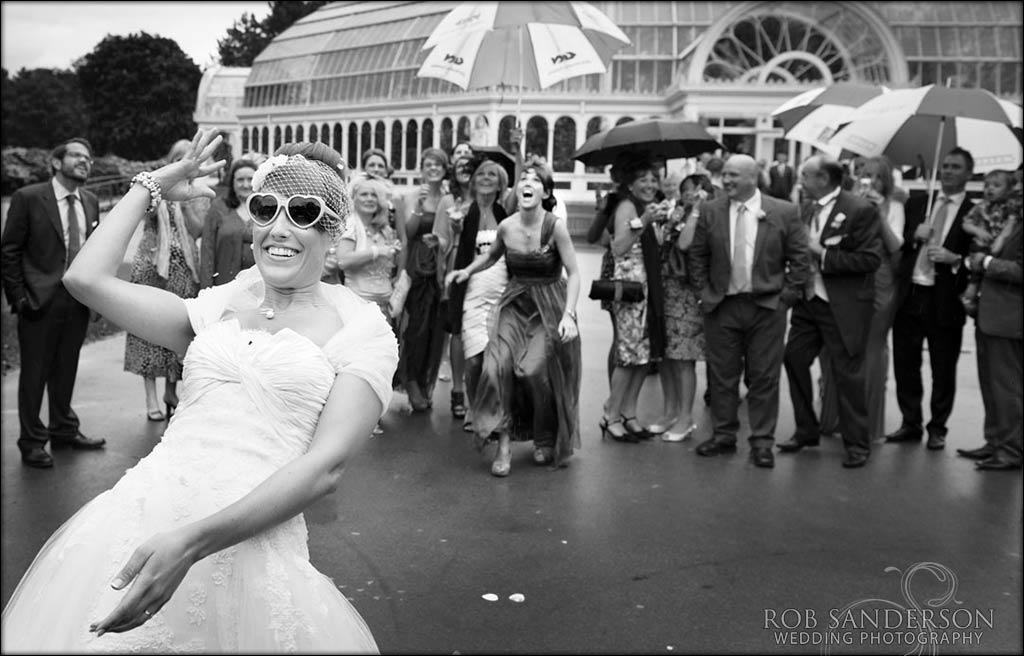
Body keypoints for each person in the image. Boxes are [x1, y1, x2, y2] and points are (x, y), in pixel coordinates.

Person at [1, 130, 397, 651]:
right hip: (138, 523)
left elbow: (325, 467)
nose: (279, 227)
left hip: (248, 551)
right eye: (265, 208)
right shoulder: (219, 305)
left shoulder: (362, 330)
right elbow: (86, 280)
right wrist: (151, 187)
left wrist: (190, 543)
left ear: (332, 233)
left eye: (302, 212)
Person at [446, 162, 581, 476]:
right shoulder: (507, 226)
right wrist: (466, 270)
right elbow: (492, 256)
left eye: (537, 181)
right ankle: (503, 444)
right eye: (525, 179)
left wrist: (569, 314)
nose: (528, 183)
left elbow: (574, 273)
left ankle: (544, 436)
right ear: (518, 190)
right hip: (514, 303)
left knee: (533, 370)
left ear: (545, 193)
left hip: (548, 304)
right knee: (497, 367)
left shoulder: (555, 226)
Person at [688, 155, 810, 468]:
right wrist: (704, 293)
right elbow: (698, 255)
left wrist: (786, 298)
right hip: (722, 305)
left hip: (767, 307)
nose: (725, 181)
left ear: (752, 178)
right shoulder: (711, 210)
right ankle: (724, 436)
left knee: (764, 377)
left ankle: (762, 442)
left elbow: (800, 260)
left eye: (732, 175)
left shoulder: (783, 211)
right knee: (721, 376)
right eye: (724, 175)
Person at [0, 137, 106, 468]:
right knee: (34, 374)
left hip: (75, 301)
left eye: (88, 157)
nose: (84, 161)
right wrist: (19, 298)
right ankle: (32, 442)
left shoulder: (89, 200)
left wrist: (97, 297)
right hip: (38, 301)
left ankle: (64, 430)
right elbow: (9, 251)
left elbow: (94, 253)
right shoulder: (28, 198)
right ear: (57, 162)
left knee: (66, 370)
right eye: (76, 156)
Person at [779, 155, 882, 468]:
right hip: (809, 301)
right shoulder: (806, 208)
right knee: (794, 358)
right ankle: (806, 429)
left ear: (823, 178)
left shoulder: (860, 209)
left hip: (843, 304)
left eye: (805, 175)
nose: (801, 181)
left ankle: (857, 444)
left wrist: (822, 253)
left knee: (847, 374)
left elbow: (869, 261)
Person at [886, 148, 975, 450]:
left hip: (945, 298)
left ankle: (937, 427)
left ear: (967, 174)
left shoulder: (975, 212)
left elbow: (977, 258)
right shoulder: (918, 203)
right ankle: (910, 422)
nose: (948, 171)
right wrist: (915, 236)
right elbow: (899, 243)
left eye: (955, 167)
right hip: (911, 294)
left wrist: (954, 259)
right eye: (945, 166)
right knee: (905, 362)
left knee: (943, 366)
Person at [124, 139, 204, 422]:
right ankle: (150, 398)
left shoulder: (196, 192)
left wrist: (191, 200)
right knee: (147, 331)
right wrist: (166, 190)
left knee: (177, 331)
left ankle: (171, 392)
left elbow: (199, 230)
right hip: (152, 268)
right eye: (181, 159)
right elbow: (140, 212)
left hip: (184, 269)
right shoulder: (154, 188)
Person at [436, 157, 509, 428]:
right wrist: (455, 232)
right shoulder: (463, 210)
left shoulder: (506, 211)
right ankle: (467, 400)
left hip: (501, 287)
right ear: (474, 180)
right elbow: (451, 246)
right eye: (482, 174)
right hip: (468, 284)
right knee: (468, 347)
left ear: (502, 182)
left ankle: (493, 406)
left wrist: (517, 149)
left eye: (493, 174)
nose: (486, 177)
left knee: (496, 353)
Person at [601, 156, 668, 443]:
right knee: (628, 357)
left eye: (654, 179)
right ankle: (611, 414)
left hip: (649, 291)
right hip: (631, 292)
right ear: (631, 183)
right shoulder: (626, 206)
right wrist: (646, 221)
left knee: (643, 357)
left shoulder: (646, 208)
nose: (650, 184)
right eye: (644, 179)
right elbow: (619, 247)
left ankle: (629, 413)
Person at [956, 217, 1022, 470]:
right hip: (991, 315)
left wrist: (985, 262)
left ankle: (1010, 449)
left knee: (1007, 388)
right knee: (992, 385)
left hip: (1008, 319)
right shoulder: (1011, 221)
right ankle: (995, 441)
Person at [654, 174, 713, 442]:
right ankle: (671, 412)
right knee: (666, 356)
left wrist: (697, 209)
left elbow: (685, 243)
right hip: (667, 289)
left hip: (687, 293)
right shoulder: (678, 211)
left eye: (692, 190)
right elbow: (662, 242)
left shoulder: (706, 215)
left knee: (683, 357)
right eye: (685, 190)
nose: (687, 194)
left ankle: (686, 418)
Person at [854, 156, 906, 443]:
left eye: (877, 176)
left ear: (886, 180)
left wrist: (878, 212)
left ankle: (870, 424)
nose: (871, 182)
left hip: (882, 280)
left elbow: (896, 245)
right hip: (853, 279)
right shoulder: (852, 202)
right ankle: (841, 416)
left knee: (873, 349)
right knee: (849, 346)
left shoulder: (894, 205)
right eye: (866, 175)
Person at [398, 148, 450, 411]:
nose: (433, 168)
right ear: (422, 168)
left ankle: (423, 380)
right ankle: (410, 381)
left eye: (438, 164)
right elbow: (407, 232)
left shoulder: (449, 198)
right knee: (416, 327)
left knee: (434, 329)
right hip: (418, 265)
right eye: (429, 164)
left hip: (440, 266)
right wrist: (418, 207)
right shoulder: (411, 196)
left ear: (444, 168)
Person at [959, 169, 1020, 317]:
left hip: (1000, 249)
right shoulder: (981, 206)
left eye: (996, 185)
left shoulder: (1012, 207)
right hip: (982, 244)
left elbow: (1010, 225)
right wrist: (977, 231)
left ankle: (975, 296)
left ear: (1010, 189)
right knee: (977, 257)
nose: (990, 188)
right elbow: (966, 223)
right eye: (986, 185)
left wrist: (1002, 238)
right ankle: (972, 290)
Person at [199, 158, 258, 288]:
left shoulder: (266, 209)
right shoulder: (218, 207)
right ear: (232, 182)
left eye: (250, 179)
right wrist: (206, 289)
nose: (246, 184)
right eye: (240, 180)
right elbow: (207, 250)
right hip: (225, 284)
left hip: (258, 287)